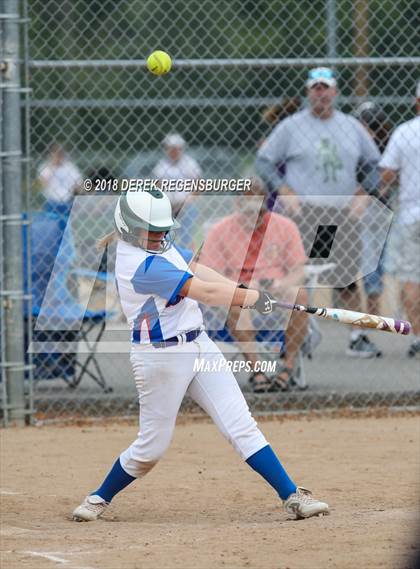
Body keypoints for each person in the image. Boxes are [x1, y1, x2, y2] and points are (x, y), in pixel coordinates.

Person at [72, 189, 329, 522]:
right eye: (153, 230)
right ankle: (98, 497)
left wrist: (248, 292)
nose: (161, 236)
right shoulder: (140, 264)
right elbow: (204, 292)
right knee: (151, 449)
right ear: (129, 229)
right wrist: (251, 298)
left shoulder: (156, 244)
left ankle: (292, 495)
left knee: (241, 425)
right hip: (161, 358)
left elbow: (198, 269)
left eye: (164, 229)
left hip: (199, 345)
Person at [256, 67, 382, 358]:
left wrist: (365, 193)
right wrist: (283, 190)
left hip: (342, 211)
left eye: (326, 87)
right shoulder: (291, 126)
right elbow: (264, 161)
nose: (321, 93)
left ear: (335, 92)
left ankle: (357, 336)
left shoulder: (351, 125)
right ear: (308, 92)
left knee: (346, 279)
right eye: (316, 88)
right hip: (305, 211)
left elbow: (374, 163)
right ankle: (300, 335)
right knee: (300, 277)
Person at [199, 177, 308, 392]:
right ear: (238, 204)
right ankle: (257, 371)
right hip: (239, 289)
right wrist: (242, 287)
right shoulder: (220, 230)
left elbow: (299, 269)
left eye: (258, 211)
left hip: (277, 290)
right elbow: (210, 273)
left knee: (300, 295)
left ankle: (288, 368)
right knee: (237, 299)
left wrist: (282, 283)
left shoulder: (285, 226)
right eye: (248, 210)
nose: (254, 217)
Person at [379, 82, 420, 358]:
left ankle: (418, 337)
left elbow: (387, 175)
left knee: (411, 278)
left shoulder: (405, 132)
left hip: (412, 214)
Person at [354, 102, 393, 319]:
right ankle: (372, 295)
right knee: (373, 256)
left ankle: (373, 298)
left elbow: (385, 180)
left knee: (373, 255)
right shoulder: (360, 142)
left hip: (374, 207)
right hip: (372, 206)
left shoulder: (377, 143)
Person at [36, 143, 82, 217]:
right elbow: (43, 184)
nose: (58, 156)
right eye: (55, 153)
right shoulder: (45, 167)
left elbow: (78, 184)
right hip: (51, 201)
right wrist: (52, 166)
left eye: (60, 153)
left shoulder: (69, 166)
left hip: (68, 201)